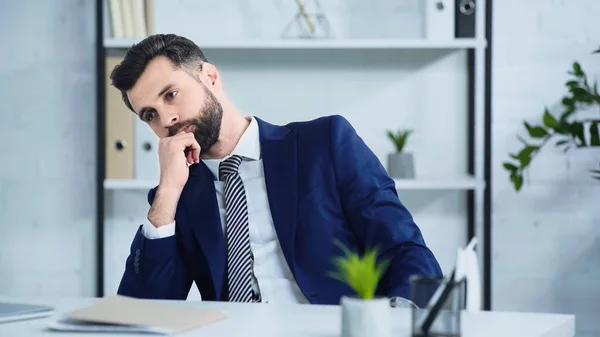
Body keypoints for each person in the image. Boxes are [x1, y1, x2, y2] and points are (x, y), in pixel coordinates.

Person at [110, 33, 442, 306]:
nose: (166, 119)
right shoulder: (177, 194)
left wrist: (396, 323)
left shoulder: (324, 143)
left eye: (171, 94)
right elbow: (142, 312)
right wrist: (167, 194)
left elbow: (404, 249)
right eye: (149, 115)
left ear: (210, 77)